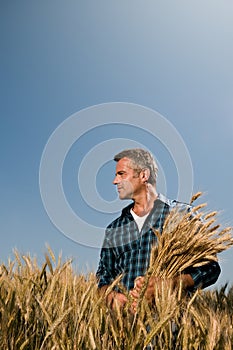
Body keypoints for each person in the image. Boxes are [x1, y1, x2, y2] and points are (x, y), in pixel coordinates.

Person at [96, 148, 221, 309]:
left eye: (121, 174)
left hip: (172, 327)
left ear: (143, 175)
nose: (115, 181)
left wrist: (172, 284)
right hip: (124, 329)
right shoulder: (114, 229)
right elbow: (103, 277)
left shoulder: (182, 215)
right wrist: (111, 296)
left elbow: (211, 268)